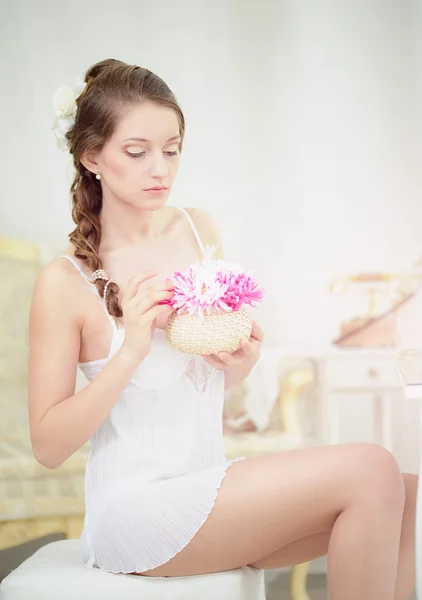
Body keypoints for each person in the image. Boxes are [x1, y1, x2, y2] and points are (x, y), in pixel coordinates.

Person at [28, 59, 416, 599]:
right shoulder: (63, 280)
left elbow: (196, 386)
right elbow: (47, 445)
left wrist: (242, 363)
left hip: (205, 484)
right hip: (137, 510)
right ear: (92, 156)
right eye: (136, 152)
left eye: (172, 148)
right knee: (372, 467)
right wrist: (131, 349)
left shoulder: (197, 229)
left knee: (406, 495)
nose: (160, 169)